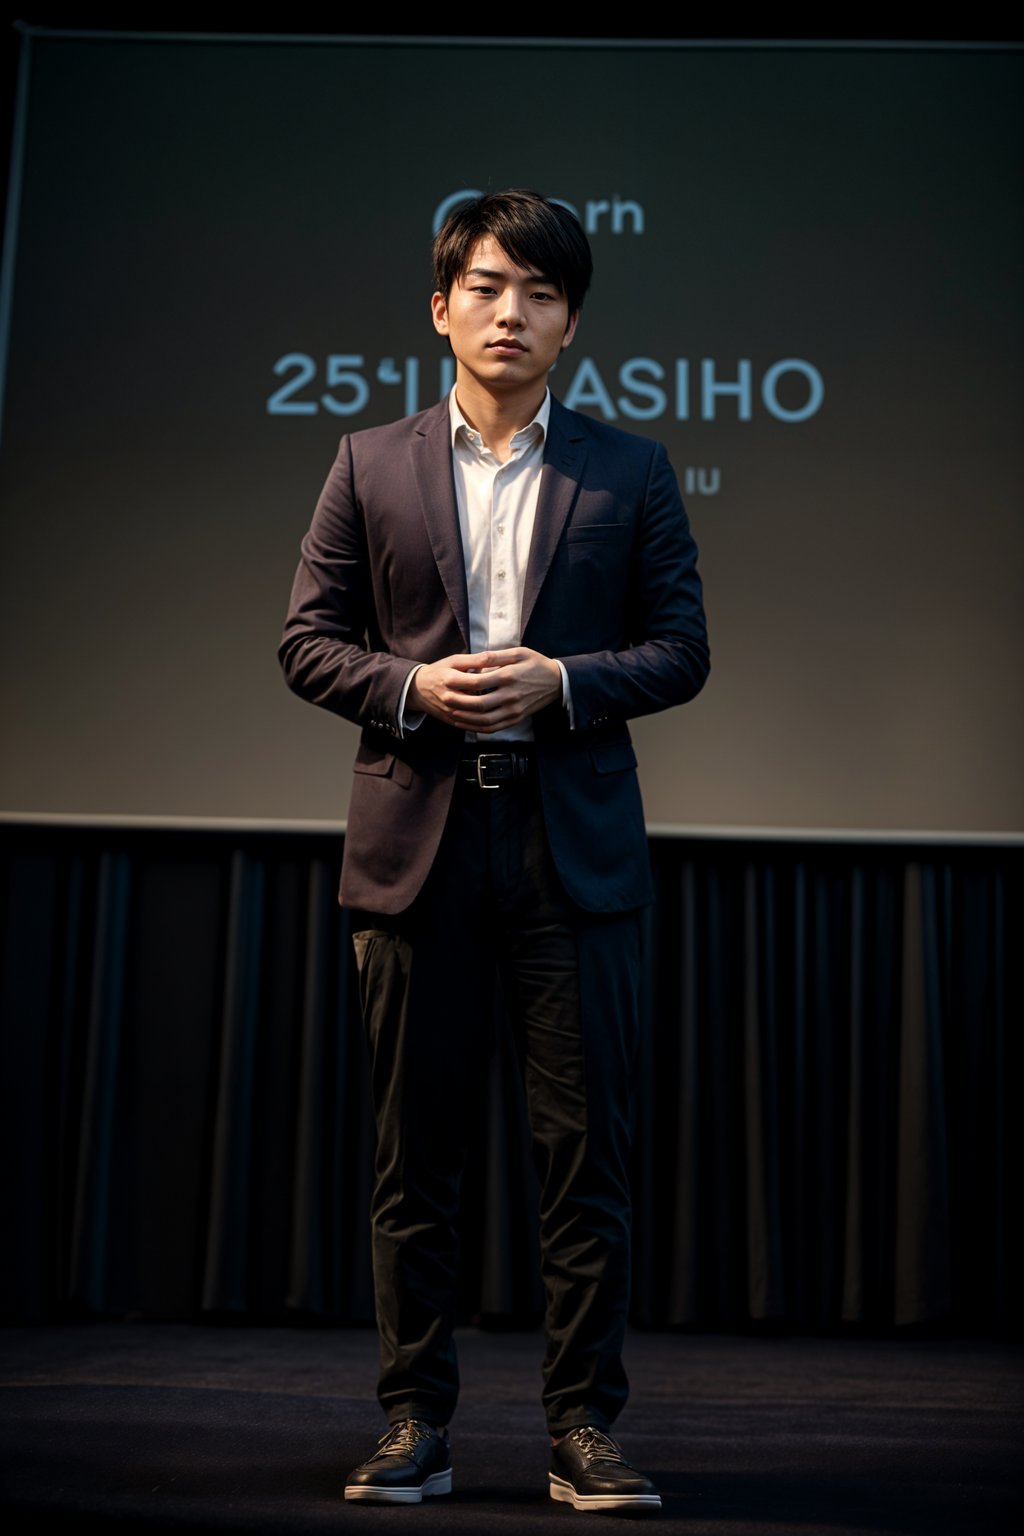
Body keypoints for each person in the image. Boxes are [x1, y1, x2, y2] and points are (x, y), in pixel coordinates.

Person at [279, 189, 709, 1514]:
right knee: (419, 1159)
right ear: (440, 307)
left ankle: (585, 1431)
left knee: (590, 1161)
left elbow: (681, 651)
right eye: (484, 285)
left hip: (568, 852)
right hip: (420, 847)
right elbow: (307, 641)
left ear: (570, 320)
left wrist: (559, 682)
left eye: (536, 292)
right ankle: (416, 1424)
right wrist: (415, 692)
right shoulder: (366, 461)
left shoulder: (629, 470)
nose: (508, 310)